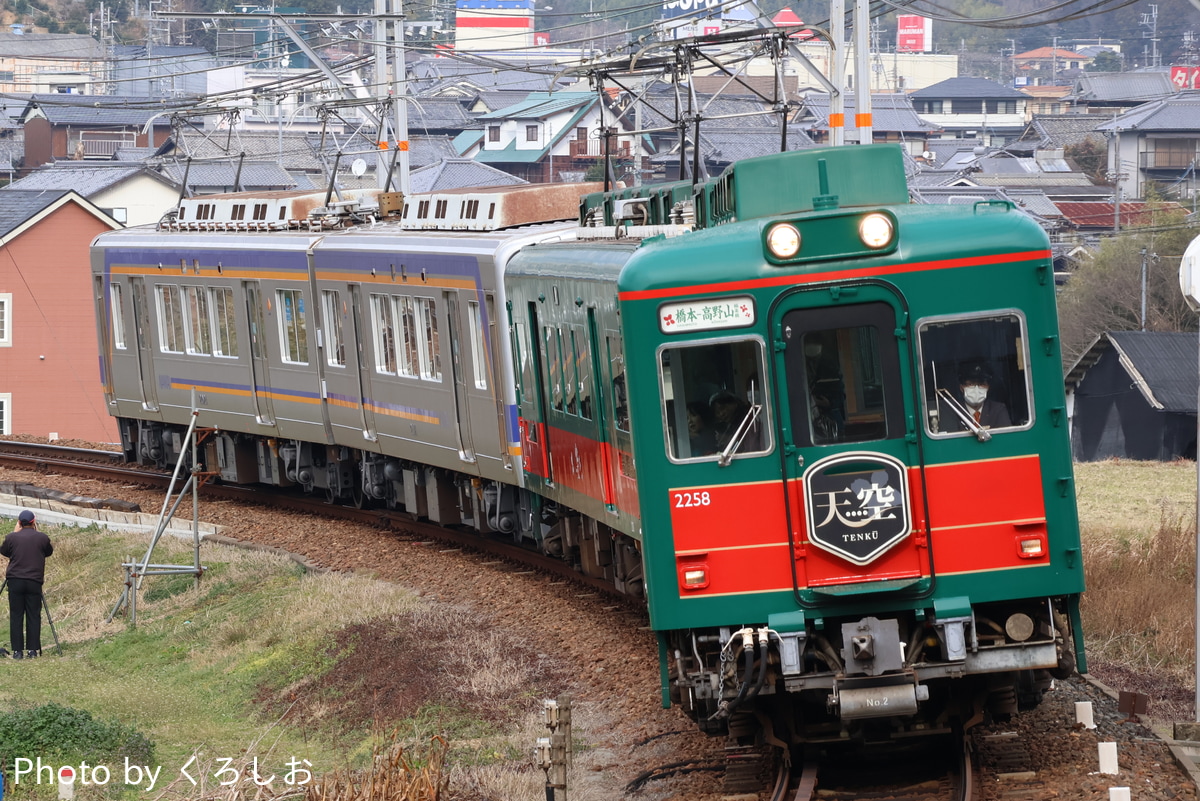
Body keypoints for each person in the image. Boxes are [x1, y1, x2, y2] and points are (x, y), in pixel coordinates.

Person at [1, 509, 53, 659]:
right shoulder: (42, 538)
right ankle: (33, 650)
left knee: (16, 615)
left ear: (19, 522)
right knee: (33, 615)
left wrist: (14, 532)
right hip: (34, 581)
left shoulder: (12, 537)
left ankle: (17, 651)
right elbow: (48, 552)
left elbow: (4, 551)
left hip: (15, 580)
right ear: (33, 522)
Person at [955, 363, 1011, 430]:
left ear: (988, 387)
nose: (976, 389)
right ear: (961, 388)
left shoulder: (998, 409)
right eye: (971, 384)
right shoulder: (954, 411)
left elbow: (1006, 437)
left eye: (981, 384)